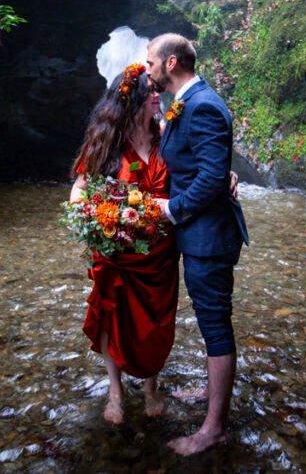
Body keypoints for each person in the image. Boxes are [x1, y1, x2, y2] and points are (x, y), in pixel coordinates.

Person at [145, 33, 249, 456]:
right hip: (201, 233)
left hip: (210, 237)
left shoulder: (203, 104)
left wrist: (170, 210)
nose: (146, 67)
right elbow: (203, 166)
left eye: (150, 60)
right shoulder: (186, 102)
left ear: (171, 63)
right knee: (211, 320)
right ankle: (212, 397)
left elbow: (209, 177)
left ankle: (213, 430)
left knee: (215, 324)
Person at [69, 63, 177, 424]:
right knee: (111, 319)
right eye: (151, 91)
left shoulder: (168, 136)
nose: (158, 95)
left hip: (160, 254)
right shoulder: (107, 143)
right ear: (131, 101)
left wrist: (228, 174)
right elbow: (80, 190)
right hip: (118, 251)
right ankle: (115, 392)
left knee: (158, 321)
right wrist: (88, 218)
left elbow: (199, 171)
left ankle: (151, 387)